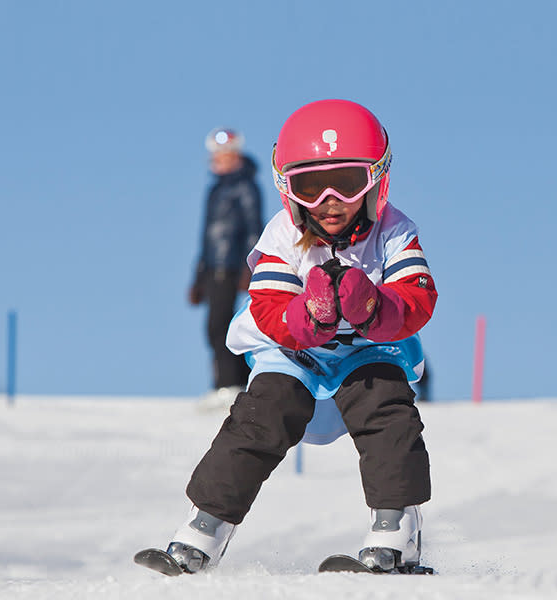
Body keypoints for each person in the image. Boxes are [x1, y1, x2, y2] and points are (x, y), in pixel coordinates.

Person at [138, 99, 438, 575]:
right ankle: (205, 527)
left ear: (375, 181)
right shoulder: (281, 235)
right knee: (260, 414)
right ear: (288, 189)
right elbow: (268, 306)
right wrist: (308, 318)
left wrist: (375, 307)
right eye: (310, 187)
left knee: (386, 408)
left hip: (368, 348)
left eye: (346, 183)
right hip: (295, 353)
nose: (329, 202)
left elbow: (418, 296)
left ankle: (395, 529)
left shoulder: (394, 231)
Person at [189, 128, 264, 410]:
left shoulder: (245, 187)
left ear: (236, 157)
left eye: (226, 155)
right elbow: (207, 237)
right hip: (213, 265)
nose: (219, 160)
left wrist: (250, 266)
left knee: (223, 325)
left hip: (232, 265)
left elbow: (253, 228)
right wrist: (198, 276)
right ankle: (228, 382)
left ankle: (230, 384)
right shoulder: (216, 190)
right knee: (214, 326)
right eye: (216, 156)